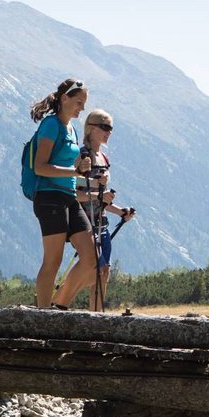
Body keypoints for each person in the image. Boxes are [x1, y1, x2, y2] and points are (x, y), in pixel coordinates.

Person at [27, 78, 94, 308]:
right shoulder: (51, 125)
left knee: (90, 257)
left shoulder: (71, 129)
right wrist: (75, 170)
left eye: (83, 104)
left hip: (69, 197)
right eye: (78, 102)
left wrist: (84, 171)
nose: (81, 108)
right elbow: (40, 167)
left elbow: (71, 168)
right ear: (65, 98)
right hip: (49, 197)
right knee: (53, 261)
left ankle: (58, 306)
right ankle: (43, 315)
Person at [75, 109, 134, 310]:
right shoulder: (82, 156)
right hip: (84, 222)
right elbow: (74, 194)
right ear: (91, 128)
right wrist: (99, 196)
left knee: (104, 270)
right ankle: (63, 300)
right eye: (105, 127)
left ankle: (97, 314)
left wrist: (121, 212)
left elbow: (102, 198)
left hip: (101, 222)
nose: (109, 132)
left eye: (111, 128)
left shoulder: (104, 159)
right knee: (93, 269)